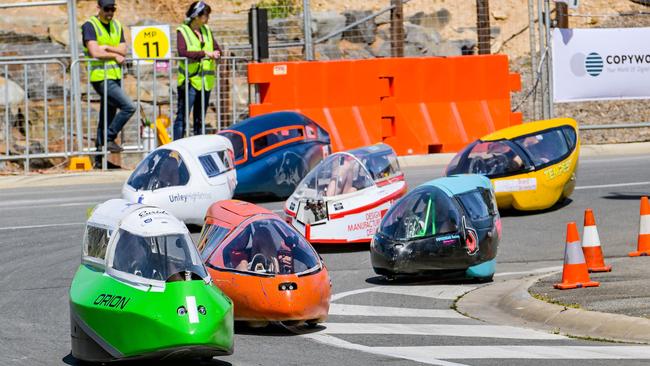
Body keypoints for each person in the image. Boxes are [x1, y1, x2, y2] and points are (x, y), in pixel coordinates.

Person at [81, 0, 135, 168]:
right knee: (129, 107)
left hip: (115, 75)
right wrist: (113, 53)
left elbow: (123, 50)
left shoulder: (116, 25)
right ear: (99, 8)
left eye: (113, 9)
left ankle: (100, 160)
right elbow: (94, 51)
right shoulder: (90, 25)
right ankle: (108, 138)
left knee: (107, 116)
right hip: (100, 77)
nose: (110, 12)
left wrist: (107, 47)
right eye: (107, 9)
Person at [173, 1, 222, 140]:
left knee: (200, 118)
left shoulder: (206, 30)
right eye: (206, 15)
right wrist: (205, 53)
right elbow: (183, 52)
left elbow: (217, 48)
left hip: (205, 82)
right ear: (196, 16)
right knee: (182, 117)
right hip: (190, 81)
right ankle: (176, 149)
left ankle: (197, 148)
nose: (208, 19)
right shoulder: (183, 30)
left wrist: (217, 53)